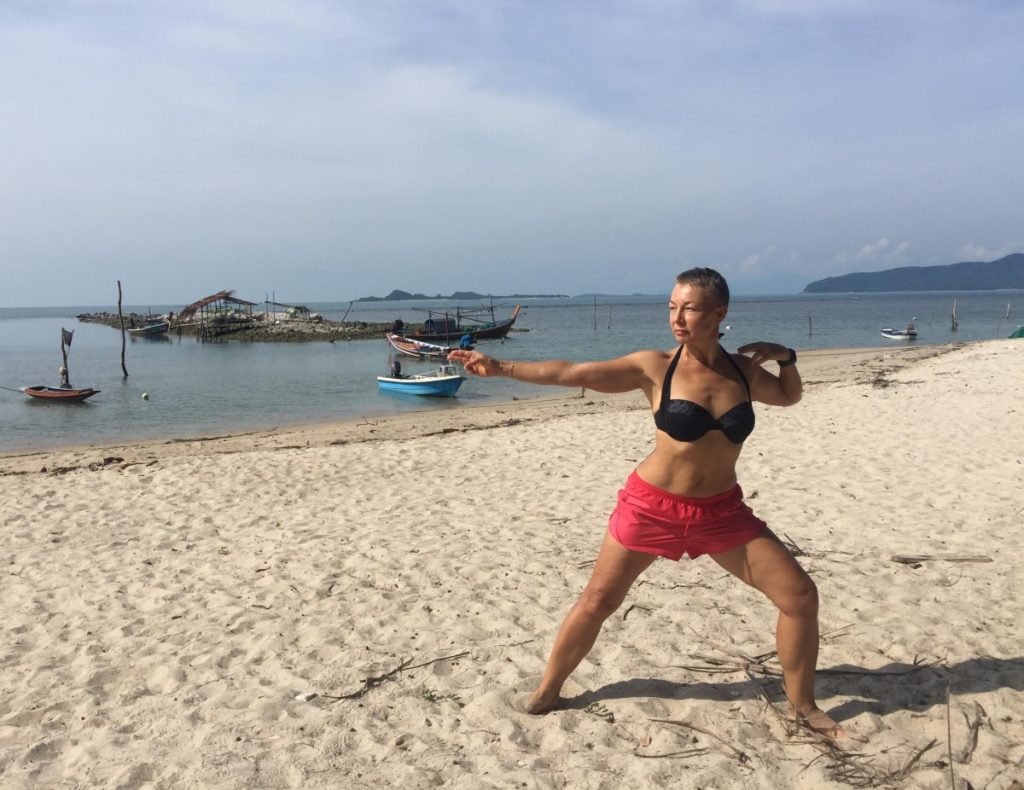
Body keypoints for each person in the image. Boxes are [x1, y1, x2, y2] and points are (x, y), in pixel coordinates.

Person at [447, 267, 841, 737]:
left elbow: (789, 396)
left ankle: (803, 707)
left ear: (719, 312)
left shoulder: (744, 371)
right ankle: (548, 689)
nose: (677, 318)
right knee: (598, 600)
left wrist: (788, 357)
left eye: (689, 308)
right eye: (672, 307)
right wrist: (501, 368)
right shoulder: (655, 367)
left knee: (800, 597)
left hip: (721, 512)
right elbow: (573, 373)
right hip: (652, 508)